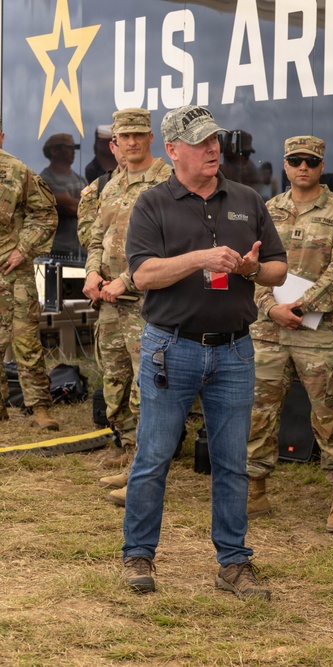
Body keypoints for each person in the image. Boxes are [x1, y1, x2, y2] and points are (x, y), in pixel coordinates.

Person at [122, 105, 287, 599]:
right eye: (200, 142)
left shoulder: (247, 199)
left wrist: (253, 271)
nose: (213, 149)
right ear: (172, 150)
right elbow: (142, 274)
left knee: (232, 461)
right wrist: (201, 259)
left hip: (235, 351)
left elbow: (278, 268)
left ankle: (234, 564)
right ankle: (138, 556)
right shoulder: (152, 204)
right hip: (171, 349)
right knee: (153, 456)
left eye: (215, 140)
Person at [245, 135, 333, 533]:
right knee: (258, 412)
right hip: (268, 329)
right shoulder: (267, 209)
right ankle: (255, 490)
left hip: (320, 331)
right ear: (285, 163)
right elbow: (250, 267)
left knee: (331, 415)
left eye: (311, 161)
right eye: (295, 160)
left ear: (321, 166)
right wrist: (271, 307)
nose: (303, 167)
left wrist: (304, 305)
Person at [82, 108, 173, 503]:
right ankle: (130, 452)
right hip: (109, 302)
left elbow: (176, 245)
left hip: (149, 304)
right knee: (115, 382)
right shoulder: (112, 185)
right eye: (125, 136)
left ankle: (145, 470)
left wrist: (127, 280)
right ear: (114, 143)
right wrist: (91, 273)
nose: (132, 142)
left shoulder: (168, 181)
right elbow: (97, 238)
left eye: (139, 134)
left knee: (147, 387)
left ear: (151, 137)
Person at [0, 118, 60, 430]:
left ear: (1, 136)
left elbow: (46, 213)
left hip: (14, 272)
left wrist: (23, 249)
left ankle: (39, 408)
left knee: (26, 341)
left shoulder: (18, 171)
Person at [39, 132, 88, 259]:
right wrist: (90, 208)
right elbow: (69, 206)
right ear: (54, 151)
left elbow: (93, 205)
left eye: (74, 147)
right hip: (57, 253)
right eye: (69, 147)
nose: (74, 151)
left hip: (81, 252)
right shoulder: (45, 179)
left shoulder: (80, 179)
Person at [78, 127, 127, 250]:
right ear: (112, 147)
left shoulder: (161, 180)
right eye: (119, 143)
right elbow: (86, 234)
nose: (128, 146)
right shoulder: (97, 182)